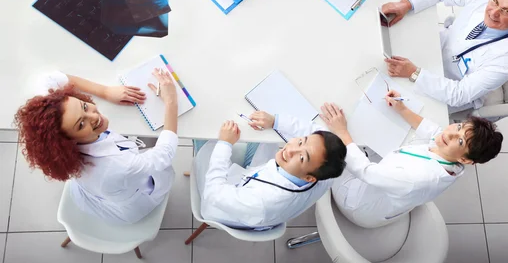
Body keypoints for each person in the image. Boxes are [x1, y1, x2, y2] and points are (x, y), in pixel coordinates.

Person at [14, 70, 179, 224]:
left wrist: (106, 91)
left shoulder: (54, 117)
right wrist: (171, 101)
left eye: (84, 106)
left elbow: (50, 77)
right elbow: (164, 154)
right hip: (129, 205)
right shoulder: (121, 166)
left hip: (95, 190)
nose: (94, 116)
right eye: (81, 124)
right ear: (67, 142)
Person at [321, 96, 502, 228]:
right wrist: (402, 109)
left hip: (357, 204)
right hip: (387, 201)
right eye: (460, 126)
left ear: (465, 159)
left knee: (328, 144)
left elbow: (365, 172)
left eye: (460, 140)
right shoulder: (451, 155)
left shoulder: (418, 177)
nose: (451, 133)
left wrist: (341, 131)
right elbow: (434, 131)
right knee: (368, 139)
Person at [381, 0, 508, 112]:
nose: (493, 13)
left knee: (389, 104)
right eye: (495, 2)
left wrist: (415, 73)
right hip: (437, 47)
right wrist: (405, 4)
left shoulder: (507, 59)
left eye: (506, 11)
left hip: (446, 86)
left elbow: (459, 94)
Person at [189, 109, 346, 235]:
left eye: (302, 158)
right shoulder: (326, 173)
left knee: (201, 130)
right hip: (252, 179)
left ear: (309, 178)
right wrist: (275, 121)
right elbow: (318, 137)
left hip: (218, 203)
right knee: (262, 129)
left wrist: (225, 144)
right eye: (300, 141)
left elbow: (214, 194)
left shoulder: (262, 202)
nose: (290, 149)